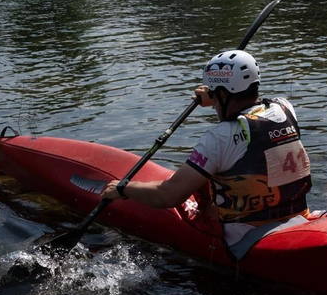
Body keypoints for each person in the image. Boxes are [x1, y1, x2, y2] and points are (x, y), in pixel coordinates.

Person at [96, 49, 315, 259]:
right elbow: (255, 109)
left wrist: (124, 189)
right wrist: (216, 94)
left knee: (190, 196)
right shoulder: (285, 108)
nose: (213, 106)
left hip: (244, 235)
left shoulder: (219, 137)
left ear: (221, 93)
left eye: (214, 96)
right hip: (297, 214)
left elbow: (169, 196)